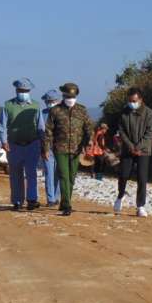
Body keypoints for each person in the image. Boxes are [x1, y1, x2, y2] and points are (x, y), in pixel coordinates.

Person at [41, 82, 93, 216]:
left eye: (73, 97)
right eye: (68, 96)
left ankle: (64, 202)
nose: (71, 99)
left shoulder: (82, 110)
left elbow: (88, 128)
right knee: (64, 175)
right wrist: (46, 148)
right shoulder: (55, 110)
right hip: (60, 149)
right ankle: (67, 206)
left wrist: (89, 141)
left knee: (71, 177)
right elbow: (48, 131)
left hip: (76, 149)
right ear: (63, 96)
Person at [0, 77, 44, 211]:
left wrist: (43, 143)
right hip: (14, 145)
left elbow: (40, 126)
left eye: (25, 91)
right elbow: (2, 126)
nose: (23, 93)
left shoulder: (36, 105)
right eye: (21, 90)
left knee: (31, 174)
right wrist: (3, 141)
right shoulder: (8, 105)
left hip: (32, 144)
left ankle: (32, 200)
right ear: (16, 90)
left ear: (29, 91)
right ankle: (17, 201)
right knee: (15, 174)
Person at [114, 86, 152, 217]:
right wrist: (131, 147)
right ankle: (120, 195)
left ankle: (140, 206)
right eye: (130, 101)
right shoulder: (124, 113)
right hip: (128, 149)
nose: (132, 103)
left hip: (144, 151)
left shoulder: (150, 114)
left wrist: (138, 147)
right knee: (123, 174)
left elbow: (150, 134)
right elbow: (122, 132)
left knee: (142, 177)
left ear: (140, 100)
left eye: (134, 101)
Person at [38, 89, 61, 207]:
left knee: (59, 173)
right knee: (49, 173)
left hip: (61, 148)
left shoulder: (63, 113)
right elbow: (39, 131)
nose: (50, 103)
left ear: (58, 100)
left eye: (53, 101)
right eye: (48, 101)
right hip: (47, 148)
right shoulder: (42, 114)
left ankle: (57, 197)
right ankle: (50, 199)